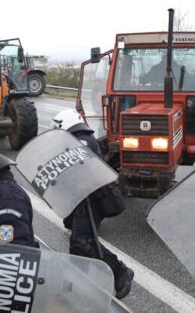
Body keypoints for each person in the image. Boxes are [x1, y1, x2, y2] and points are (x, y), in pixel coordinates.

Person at [51, 109, 134, 299]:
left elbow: (77, 170)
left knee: (82, 241)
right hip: (85, 197)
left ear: (65, 125)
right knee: (78, 245)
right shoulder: (79, 139)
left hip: (94, 198)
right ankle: (74, 287)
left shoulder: (82, 141)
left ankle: (120, 270)